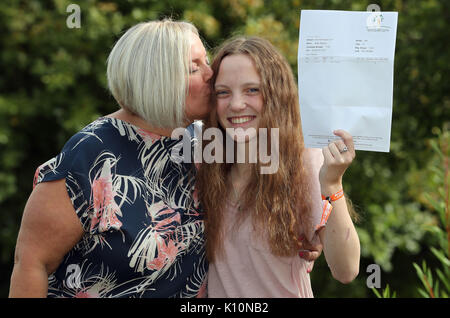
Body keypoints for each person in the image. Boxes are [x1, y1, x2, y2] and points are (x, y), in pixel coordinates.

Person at [9, 19, 214, 298]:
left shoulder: (204, 142)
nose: (211, 74)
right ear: (158, 79)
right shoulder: (90, 154)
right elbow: (32, 263)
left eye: (206, 61)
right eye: (194, 67)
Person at [196, 36, 361, 298]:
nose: (236, 104)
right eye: (223, 92)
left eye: (252, 90)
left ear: (276, 95)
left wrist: (332, 184)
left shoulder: (305, 161)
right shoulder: (204, 162)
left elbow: (346, 270)